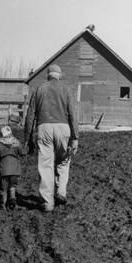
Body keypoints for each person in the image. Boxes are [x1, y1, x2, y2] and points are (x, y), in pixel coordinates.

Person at [24, 64, 79, 212]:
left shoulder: (39, 89)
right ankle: (61, 191)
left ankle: (47, 202)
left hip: (44, 128)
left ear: (48, 75)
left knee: (46, 165)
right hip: (63, 128)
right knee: (63, 161)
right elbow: (73, 114)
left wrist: (27, 138)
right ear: (59, 75)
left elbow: (30, 116)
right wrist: (75, 137)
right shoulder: (66, 90)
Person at [0, 125, 25, 210]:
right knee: (13, 185)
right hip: (14, 169)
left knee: (3, 188)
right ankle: (12, 199)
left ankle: (3, 204)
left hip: (3, 169)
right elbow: (22, 152)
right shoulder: (16, 142)